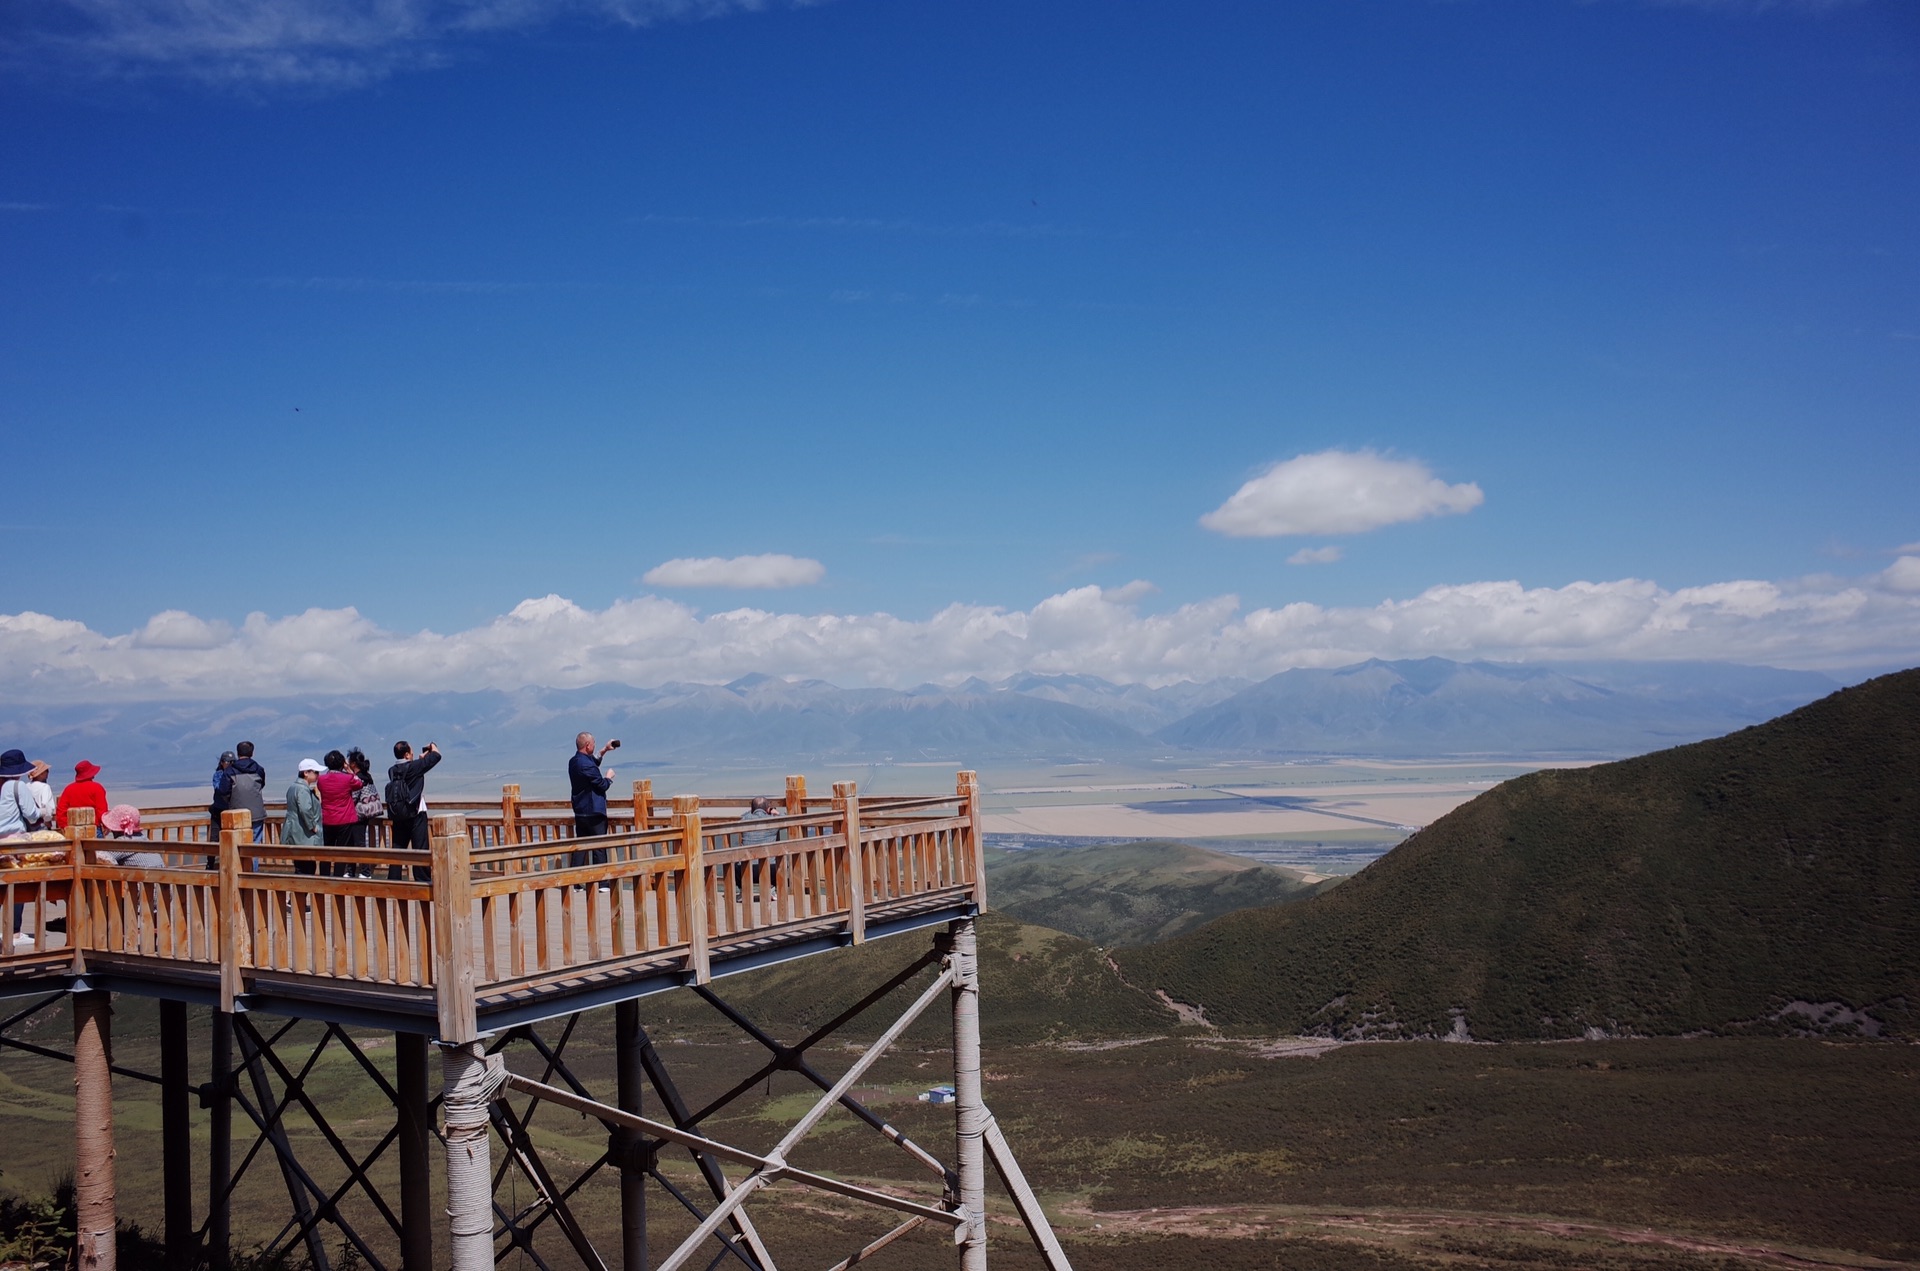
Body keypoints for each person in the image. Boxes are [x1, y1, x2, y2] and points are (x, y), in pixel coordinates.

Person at [385, 740, 441, 882]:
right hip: (415, 813)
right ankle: (422, 879)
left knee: (398, 847)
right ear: (407, 754)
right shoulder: (414, 767)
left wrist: (420, 760)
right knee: (420, 847)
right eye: (411, 752)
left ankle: (394, 879)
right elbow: (436, 756)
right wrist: (433, 747)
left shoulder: (392, 770)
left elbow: (410, 769)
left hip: (398, 815)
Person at [567, 732, 619, 868]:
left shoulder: (574, 761)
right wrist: (608, 778)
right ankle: (602, 883)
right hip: (594, 812)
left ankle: (576, 882)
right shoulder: (587, 765)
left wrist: (605, 750)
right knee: (599, 847)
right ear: (588, 745)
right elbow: (601, 785)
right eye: (594, 744)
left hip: (580, 811)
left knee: (580, 847)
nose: (595, 747)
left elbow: (592, 762)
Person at [315, 750, 364, 878]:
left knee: (327, 850)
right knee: (341, 850)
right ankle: (338, 876)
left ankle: (324, 875)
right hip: (345, 819)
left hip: (327, 819)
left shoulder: (321, 780)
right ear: (342, 763)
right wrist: (349, 770)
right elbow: (359, 784)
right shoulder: (347, 779)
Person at [283, 759, 325, 874]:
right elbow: (305, 809)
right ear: (306, 773)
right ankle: (301, 892)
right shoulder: (302, 789)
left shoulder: (294, 787)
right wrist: (313, 826)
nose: (318, 775)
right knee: (307, 868)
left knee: (301, 866)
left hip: (296, 832)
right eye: (315, 772)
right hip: (303, 834)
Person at [96, 806, 166, 869]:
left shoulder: (124, 843)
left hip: (141, 882)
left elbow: (101, 856)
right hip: (160, 880)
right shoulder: (143, 838)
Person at [226, 742, 269, 845]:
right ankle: (253, 862)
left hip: (236, 813)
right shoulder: (259, 769)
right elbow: (261, 785)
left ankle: (239, 862)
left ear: (238, 753)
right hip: (256, 812)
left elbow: (224, 790)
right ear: (252, 753)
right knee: (255, 844)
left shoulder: (229, 771)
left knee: (237, 844)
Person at [55, 760, 110, 831]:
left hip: (73, 829)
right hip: (94, 828)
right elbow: (102, 811)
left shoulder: (68, 789)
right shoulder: (97, 788)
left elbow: (61, 810)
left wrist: (65, 826)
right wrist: (105, 826)